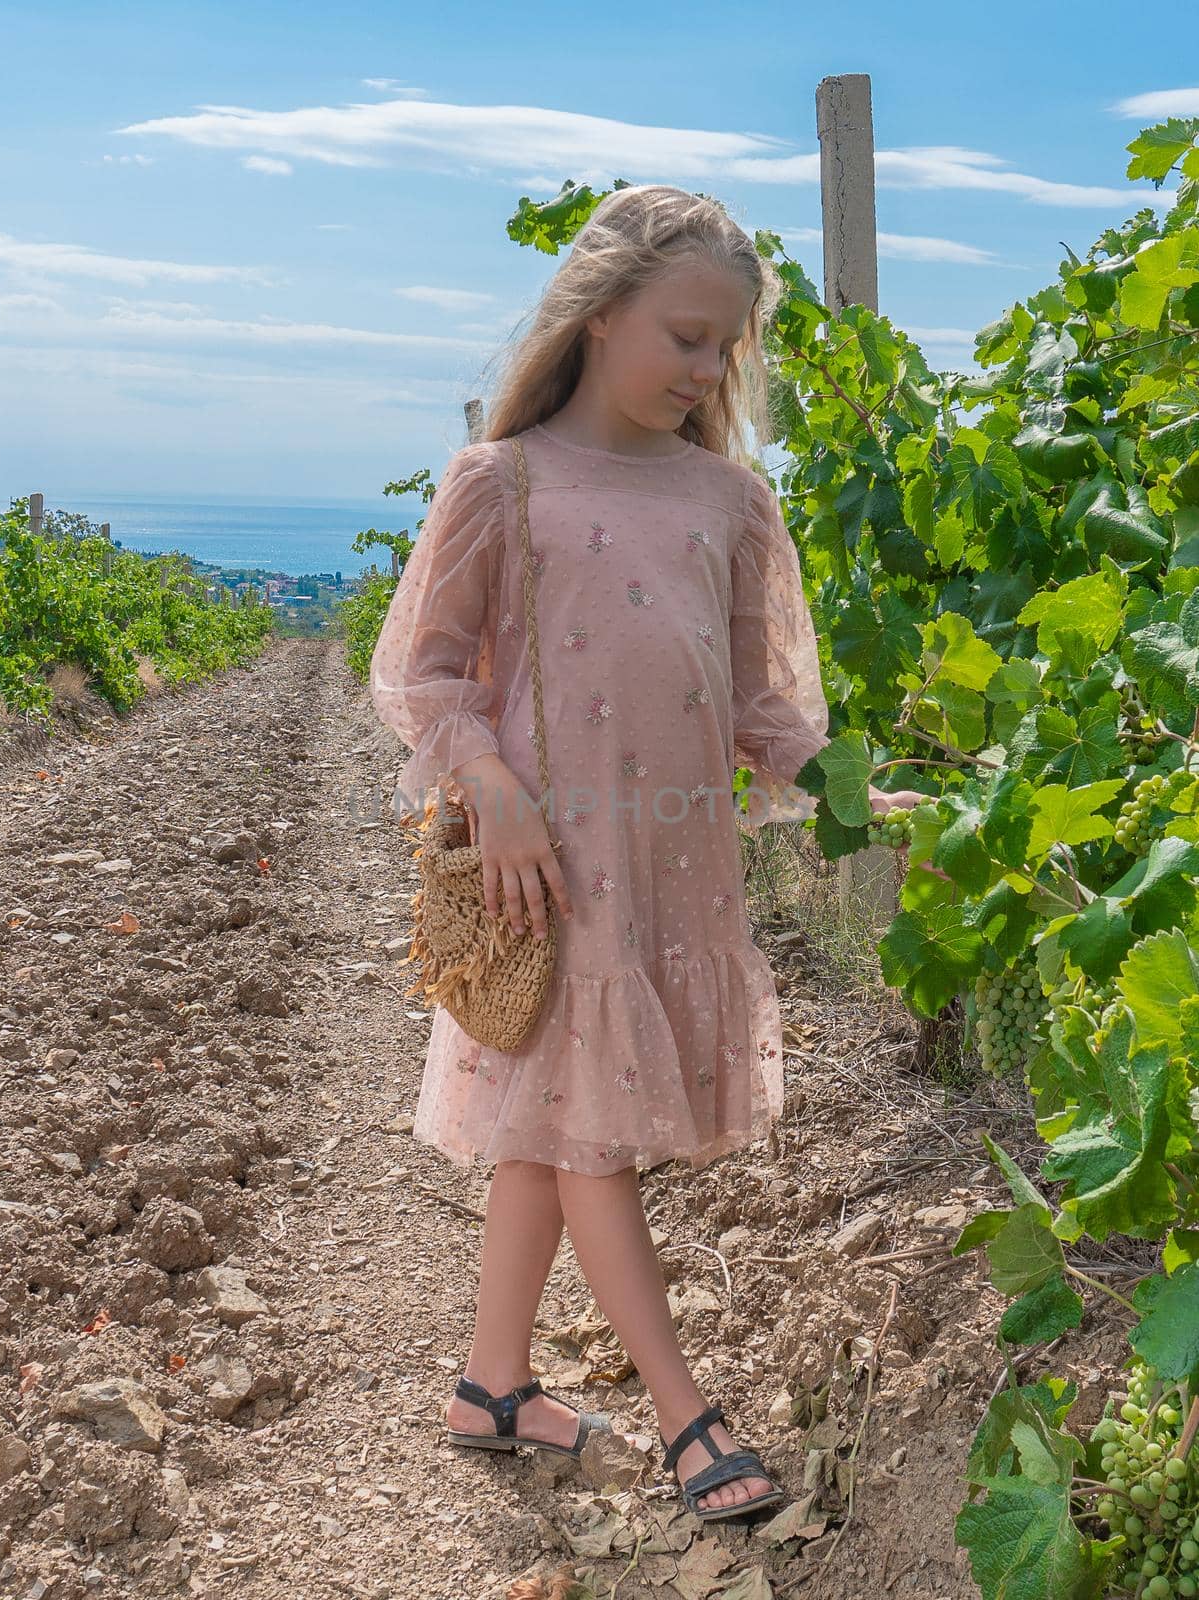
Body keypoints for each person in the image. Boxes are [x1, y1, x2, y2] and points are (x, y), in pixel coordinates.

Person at [369, 184, 927, 1520]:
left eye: (722, 348)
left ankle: (493, 1386)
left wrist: (870, 796)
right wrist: (492, 784)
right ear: (600, 312)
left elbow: (760, 710)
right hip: (546, 872)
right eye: (683, 335)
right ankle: (687, 1416)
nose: (704, 369)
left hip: (675, 865)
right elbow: (425, 676)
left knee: (556, 1127)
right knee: (590, 1140)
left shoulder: (729, 500)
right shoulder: (500, 482)